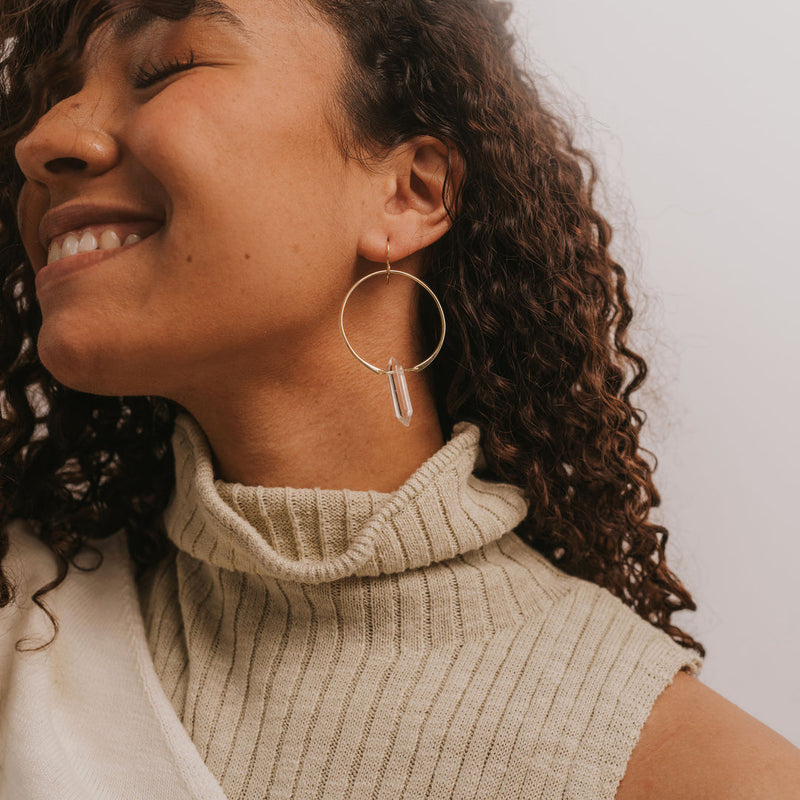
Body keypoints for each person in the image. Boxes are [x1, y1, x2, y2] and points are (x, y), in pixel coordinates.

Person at [0, 0, 798, 798]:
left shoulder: (690, 773)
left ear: (411, 193)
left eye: (169, 67)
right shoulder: (20, 617)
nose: (45, 140)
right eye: (50, 96)